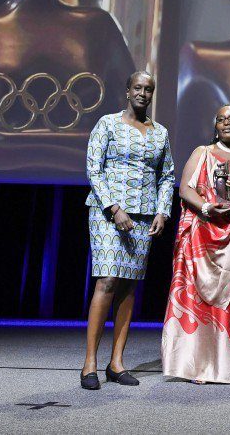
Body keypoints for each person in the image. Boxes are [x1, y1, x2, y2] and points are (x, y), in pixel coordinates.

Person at [81, 71, 174, 390]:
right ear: (127, 90)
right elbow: (94, 168)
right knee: (107, 280)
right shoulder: (107, 124)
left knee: (129, 287)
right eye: (138, 87)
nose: (143, 93)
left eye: (149, 89)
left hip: (144, 217)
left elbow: (166, 175)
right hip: (108, 213)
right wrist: (114, 208)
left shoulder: (160, 132)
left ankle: (116, 362)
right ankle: (89, 363)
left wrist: (163, 210)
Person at [161, 105, 230, 384]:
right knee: (200, 304)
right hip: (203, 237)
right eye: (221, 119)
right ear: (215, 125)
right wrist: (208, 208)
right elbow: (185, 189)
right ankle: (199, 366)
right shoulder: (202, 152)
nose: (227, 123)